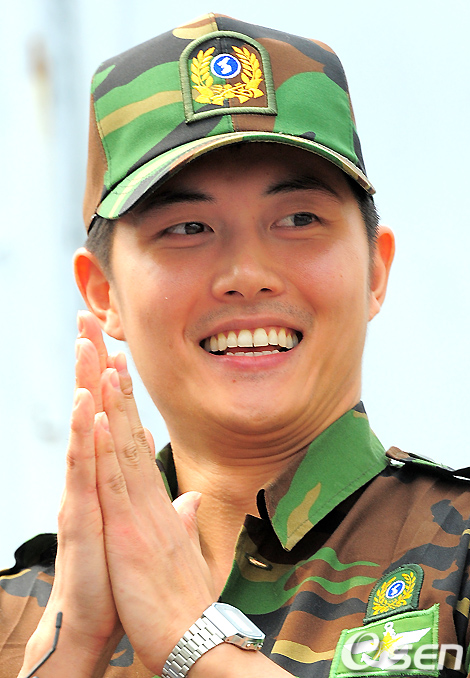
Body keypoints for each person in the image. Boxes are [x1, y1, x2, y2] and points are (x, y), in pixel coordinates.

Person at [1, 12, 470, 678]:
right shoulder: (19, 616)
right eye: (187, 227)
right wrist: (71, 650)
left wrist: (191, 640)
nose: (247, 275)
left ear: (375, 270)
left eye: (299, 218)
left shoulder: (456, 560)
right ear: (104, 292)